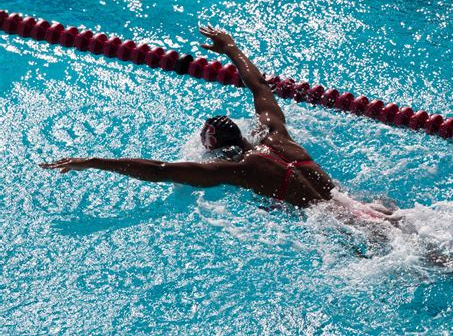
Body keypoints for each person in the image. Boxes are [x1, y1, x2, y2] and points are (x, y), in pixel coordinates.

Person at [39, 26, 348, 208]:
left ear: (215, 147)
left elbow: (161, 171)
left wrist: (94, 161)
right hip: (357, 205)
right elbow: (260, 88)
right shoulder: (276, 134)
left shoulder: (237, 170)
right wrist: (231, 48)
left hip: (332, 225)